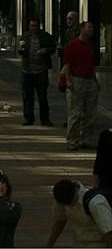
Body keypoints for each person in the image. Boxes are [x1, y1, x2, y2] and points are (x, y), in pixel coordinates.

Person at [62, 23, 101, 152]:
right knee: (75, 113)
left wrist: (95, 81)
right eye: (88, 27)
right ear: (82, 29)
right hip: (76, 79)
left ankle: (86, 139)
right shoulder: (72, 45)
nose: (91, 29)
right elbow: (67, 64)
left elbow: (91, 65)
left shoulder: (90, 46)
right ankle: (72, 140)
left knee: (90, 113)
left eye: (91, 27)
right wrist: (68, 80)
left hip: (89, 81)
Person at [45, 178, 112, 246]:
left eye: (70, 203)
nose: (69, 206)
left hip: (98, 243)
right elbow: (60, 222)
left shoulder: (95, 203)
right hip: (78, 243)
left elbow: (109, 233)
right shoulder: (61, 197)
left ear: (75, 192)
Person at [19, 17, 56, 126]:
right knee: (27, 96)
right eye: (32, 25)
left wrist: (46, 50)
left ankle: (45, 119)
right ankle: (28, 118)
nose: (33, 28)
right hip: (27, 70)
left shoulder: (45, 36)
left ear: (39, 26)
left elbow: (52, 47)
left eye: (35, 25)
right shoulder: (25, 36)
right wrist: (21, 50)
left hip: (41, 70)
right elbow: (20, 49)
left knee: (42, 96)